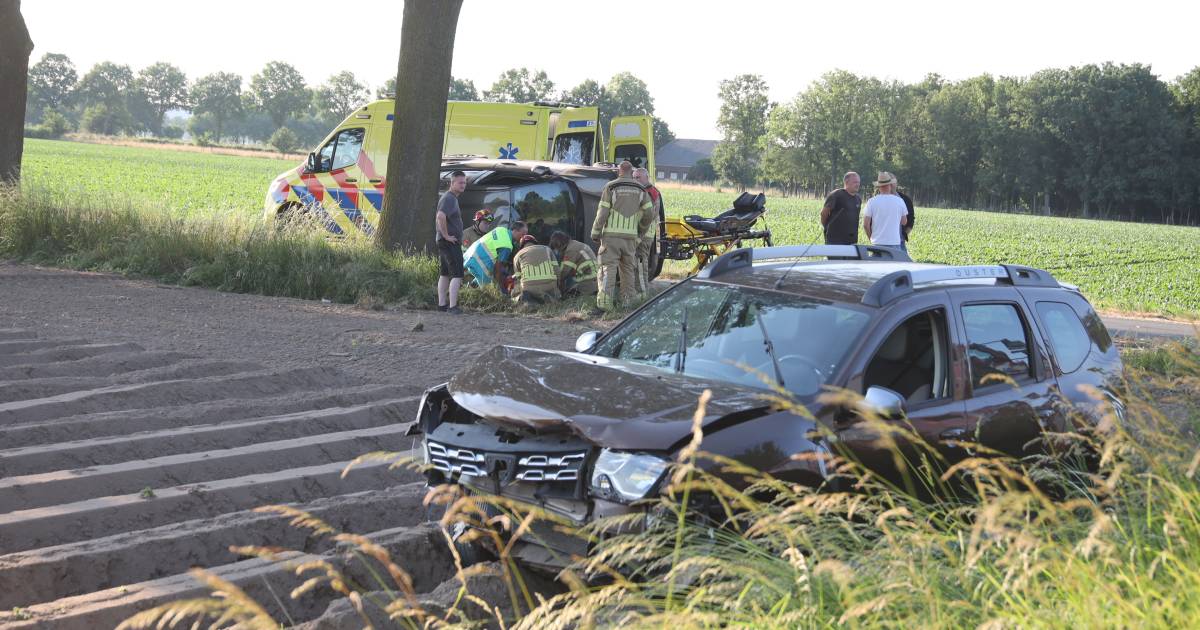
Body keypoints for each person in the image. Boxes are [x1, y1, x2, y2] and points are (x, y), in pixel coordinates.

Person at [592, 161, 655, 311]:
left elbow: (602, 213)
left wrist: (595, 232)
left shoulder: (611, 187)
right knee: (628, 271)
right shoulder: (640, 189)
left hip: (611, 238)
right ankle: (628, 303)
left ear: (619, 171)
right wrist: (640, 231)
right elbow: (649, 213)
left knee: (607, 269)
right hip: (631, 239)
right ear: (631, 172)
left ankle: (604, 305)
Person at [435, 170, 467, 314]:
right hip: (449, 242)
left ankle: (442, 305)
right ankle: (453, 307)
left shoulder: (451, 198)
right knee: (458, 274)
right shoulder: (449, 198)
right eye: (460, 182)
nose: (463, 185)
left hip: (444, 241)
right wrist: (447, 235)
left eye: (464, 182)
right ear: (452, 183)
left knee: (445, 273)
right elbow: (440, 216)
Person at [632, 167, 662, 294]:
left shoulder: (651, 192)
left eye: (638, 177)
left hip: (645, 233)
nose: (635, 180)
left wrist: (639, 231)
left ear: (646, 177)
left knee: (640, 261)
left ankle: (642, 292)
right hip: (641, 232)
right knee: (638, 261)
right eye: (633, 177)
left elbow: (652, 214)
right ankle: (639, 289)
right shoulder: (643, 190)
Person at [862, 171, 908, 248]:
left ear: (879, 186)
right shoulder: (899, 201)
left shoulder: (871, 201)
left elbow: (866, 225)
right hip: (894, 242)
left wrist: (871, 238)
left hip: (877, 242)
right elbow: (904, 222)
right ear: (890, 185)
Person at [510, 234, 561, 304]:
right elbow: (557, 270)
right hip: (550, 287)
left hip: (528, 289)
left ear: (521, 246)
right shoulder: (547, 249)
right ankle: (549, 298)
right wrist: (558, 286)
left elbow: (518, 277)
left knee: (515, 289)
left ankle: (524, 299)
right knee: (554, 294)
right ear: (535, 242)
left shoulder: (518, 255)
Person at [549, 230, 599, 297]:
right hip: (593, 278)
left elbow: (563, 273)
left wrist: (552, 282)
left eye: (555, 248)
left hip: (589, 280)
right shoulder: (574, 244)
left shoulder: (571, 250)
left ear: (559, 244)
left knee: (569, 297)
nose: (556, 252)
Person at [820, 171, 862, 245]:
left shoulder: (858, 198)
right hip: (835, 240)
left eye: (858, 182)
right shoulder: (836, 195)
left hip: (852, 241)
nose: (858, 184)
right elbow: (824, 213)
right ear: (846, 182)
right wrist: (827, 227)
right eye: (855, 182)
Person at [897, 184, 915, 250]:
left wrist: (903, 235)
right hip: (879, 243)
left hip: (900, 242)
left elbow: (910, 220)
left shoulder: (905, 199)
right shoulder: (875, 200)